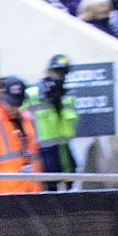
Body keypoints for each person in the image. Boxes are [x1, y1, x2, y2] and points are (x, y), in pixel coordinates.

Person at [0, 77, 43, 193]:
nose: (14, 108)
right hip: (5, 194)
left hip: (32, 191)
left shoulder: (28, 120)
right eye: (11, 103)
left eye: (18, 103)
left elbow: (35, 156)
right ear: (2, 98)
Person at [23, 54, 79, 188]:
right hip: (42, 152)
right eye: (57, 71)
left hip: (64, 150)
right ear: (48, 71)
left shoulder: (68, 96)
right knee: (48, 188)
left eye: (64, 72)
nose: (60, 76)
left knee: (70, 182)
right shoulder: (32, 94)